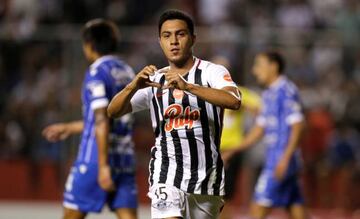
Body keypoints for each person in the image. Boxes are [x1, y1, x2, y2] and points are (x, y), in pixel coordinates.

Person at [107, 9, 241, 219]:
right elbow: (113, 111)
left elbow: (234, 101)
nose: (174, 42)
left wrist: (188, 87)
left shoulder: (212, 72)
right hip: (167, 173)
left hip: (206, 179)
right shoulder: (154, 80)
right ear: (160, 41)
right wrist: (132, 85)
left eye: (181, 34)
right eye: (167, 36)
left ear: (193, 38)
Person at [42, 19, 137, 219]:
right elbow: (110, 118)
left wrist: (102, 167)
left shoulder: (96, 72)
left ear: (90, 45)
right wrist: (69, 128)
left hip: (95, 159)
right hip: (124, 159)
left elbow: (101, 120)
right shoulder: (127, 72)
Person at [222, 51, 307, 219]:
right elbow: (259, 130)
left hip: (280, 160)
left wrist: (285, 158)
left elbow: (298, 126)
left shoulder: (286, 91)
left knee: (257, 208)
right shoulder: (268, 94)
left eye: (259, 65)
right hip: (276, 159)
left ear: (273, 67)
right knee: (295, 207)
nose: (255, 71)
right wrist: (233, 150)